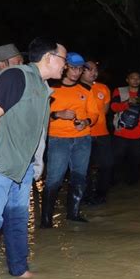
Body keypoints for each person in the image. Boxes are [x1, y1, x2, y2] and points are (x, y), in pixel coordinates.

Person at [0, 37, 67, 279]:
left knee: (18, 219)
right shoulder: (15, 77)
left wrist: (36, 164)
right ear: (49, 58)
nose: (65, 66)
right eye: (64, 59)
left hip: (20, 167)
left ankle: (19, 268)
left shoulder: (42, 87)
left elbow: (35, 132)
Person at [40, 52, 99, 227]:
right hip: (58, 139)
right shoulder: (51, 89)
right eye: (73, 67)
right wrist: (58, 114)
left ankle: (73, 214)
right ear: (65, 67)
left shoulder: (86, 90)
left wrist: (86, 122)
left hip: (82, 139)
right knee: (54, 179)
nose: (76, 72)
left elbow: (94, 113)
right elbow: (39, 114)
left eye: (80, 68)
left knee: (79, 176)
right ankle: (46, 220)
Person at [111, 71, 140, 185]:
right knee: (117, 158)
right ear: (127, 79)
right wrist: (128, 102)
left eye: (138, 78)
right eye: (133, 78)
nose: (135, 80)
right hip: (121, 132)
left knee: (136, 160)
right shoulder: (119, 91)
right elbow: (114, 107)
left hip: (139, 133)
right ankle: (115, 182)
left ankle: (132, 184)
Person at [80, 59, 113, 205]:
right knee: (84, 167)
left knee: (107, 165)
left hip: (102, 134)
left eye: (96, 70)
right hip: (82, 135)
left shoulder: (103, 88)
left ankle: (101, 194)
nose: (94, 72)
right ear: (81, 70)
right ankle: (86, 196)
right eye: (90, 69)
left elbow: (104, 111)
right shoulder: (73, 88)